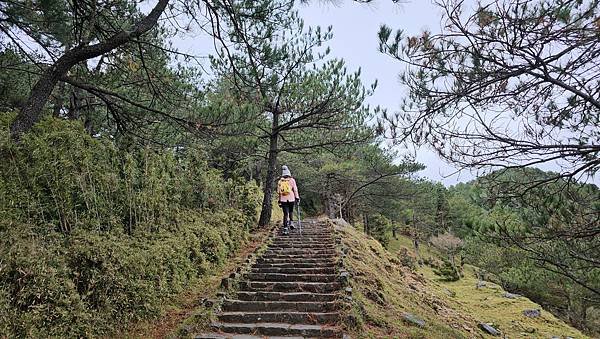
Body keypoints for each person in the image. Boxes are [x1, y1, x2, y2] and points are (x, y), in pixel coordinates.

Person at [277, 165, 299, 234]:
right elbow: (295, 190)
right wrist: (297, 197)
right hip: (291, 198)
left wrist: (279, 200)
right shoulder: (292, 180)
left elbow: (279, 191)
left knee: (285, 214)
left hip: (283, 199)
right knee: (291, 211)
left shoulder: (280, 181)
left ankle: (285, 228)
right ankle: (291, 223)